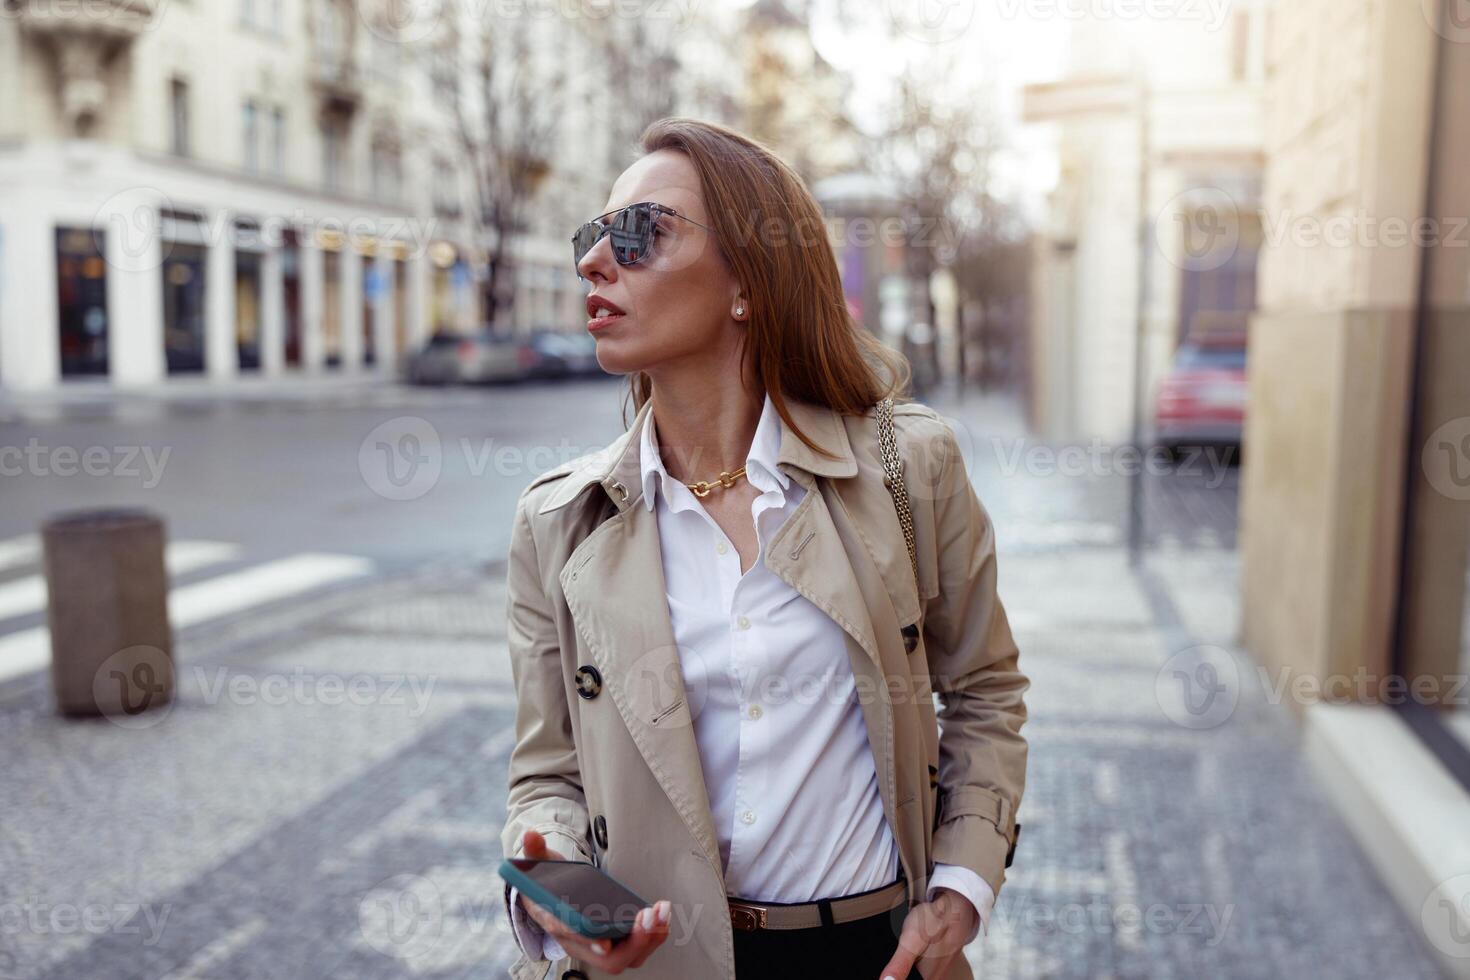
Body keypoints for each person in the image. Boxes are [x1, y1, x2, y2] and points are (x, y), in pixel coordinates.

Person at [500, 117, 1029, 980]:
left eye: (639, 233)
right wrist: (553, 884)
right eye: (591, 238)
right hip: (659, 965)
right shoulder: (561, 522)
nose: (596, 262)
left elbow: (984, 689)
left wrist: (962, 886)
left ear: (749, 278)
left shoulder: (908, 466)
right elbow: (548, 775)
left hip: (873, 954)